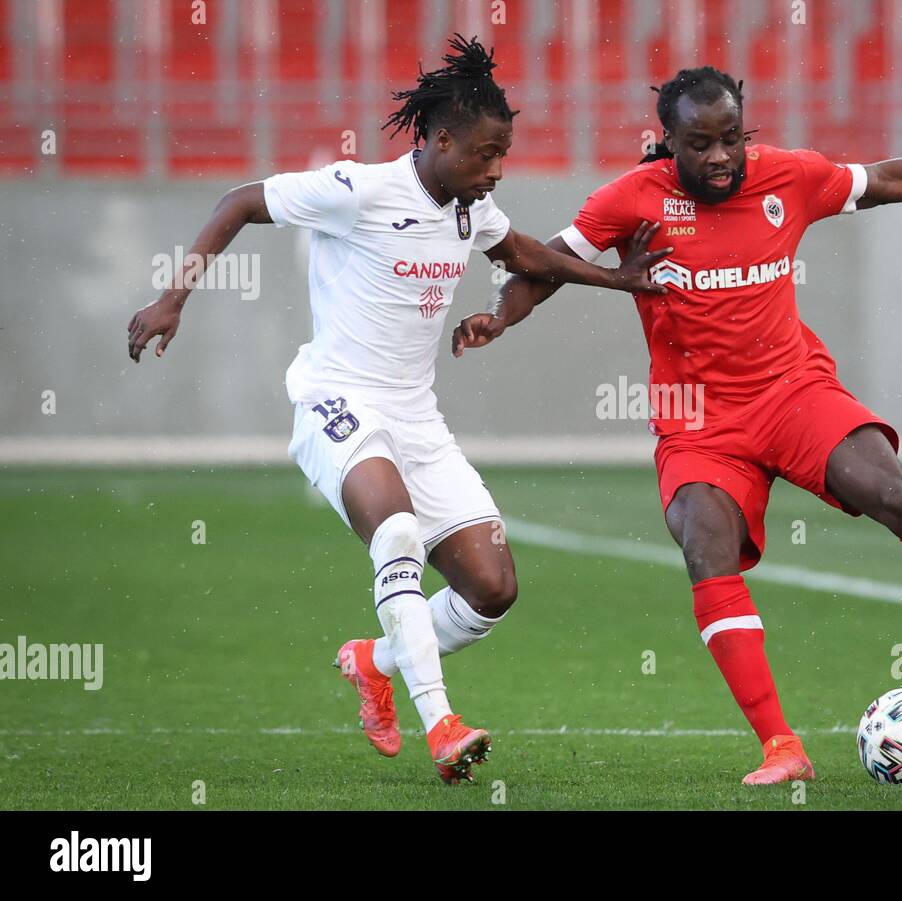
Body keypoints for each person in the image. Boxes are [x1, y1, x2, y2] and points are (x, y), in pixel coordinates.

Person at [452, 66, 902, 785]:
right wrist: (501, 316)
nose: (720, 157)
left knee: (894, 497)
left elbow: (889, 179)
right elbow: (543, 265)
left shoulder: (788, 177)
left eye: (731, 138)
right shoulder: (632, 199)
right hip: (698, 421)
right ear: (667, 142)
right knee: (706, 545)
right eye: (699, 144)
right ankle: (781, 747)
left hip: (791, 391)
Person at [124, 36, 666, 785]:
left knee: (493, 588)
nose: (497, 168)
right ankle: (440, 721)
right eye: (485, 153)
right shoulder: (359, 189)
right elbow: (241, 202)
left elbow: (528, 258)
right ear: (441, 140)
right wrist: (173, 294)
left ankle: (373, 662)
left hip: (415, 417)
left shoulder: (470, 209)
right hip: (335, 401)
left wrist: (616, 279)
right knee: (399, 531)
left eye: (503, 153)